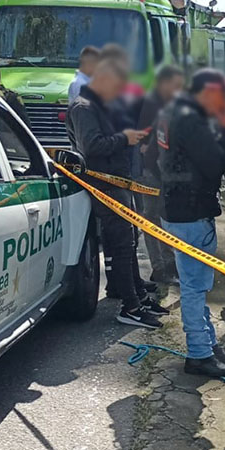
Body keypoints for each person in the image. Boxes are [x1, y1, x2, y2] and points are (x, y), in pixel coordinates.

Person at [67, 53, 168, 328]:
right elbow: (91, 146)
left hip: (119, 182)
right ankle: (130, 307)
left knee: (128, 240)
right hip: (105, 186)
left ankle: (138, 296)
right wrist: (124, 138)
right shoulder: (84, 107)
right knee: (121, 244)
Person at [159, 69, 225, 378]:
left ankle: (207, 343)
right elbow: (214, 164)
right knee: (195, 286)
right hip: (192, 212)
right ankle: (199, 354)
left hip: (174, 208)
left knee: (195, 283)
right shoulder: (191, 119)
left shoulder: (171, 112)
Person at [138, 64, 185, 285]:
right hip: (151, 170)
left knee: (165, 217)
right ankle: (159, 267)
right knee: (152, 218)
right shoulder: (151, 103)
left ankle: (170, 263)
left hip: (165, 171)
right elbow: (144, 138)